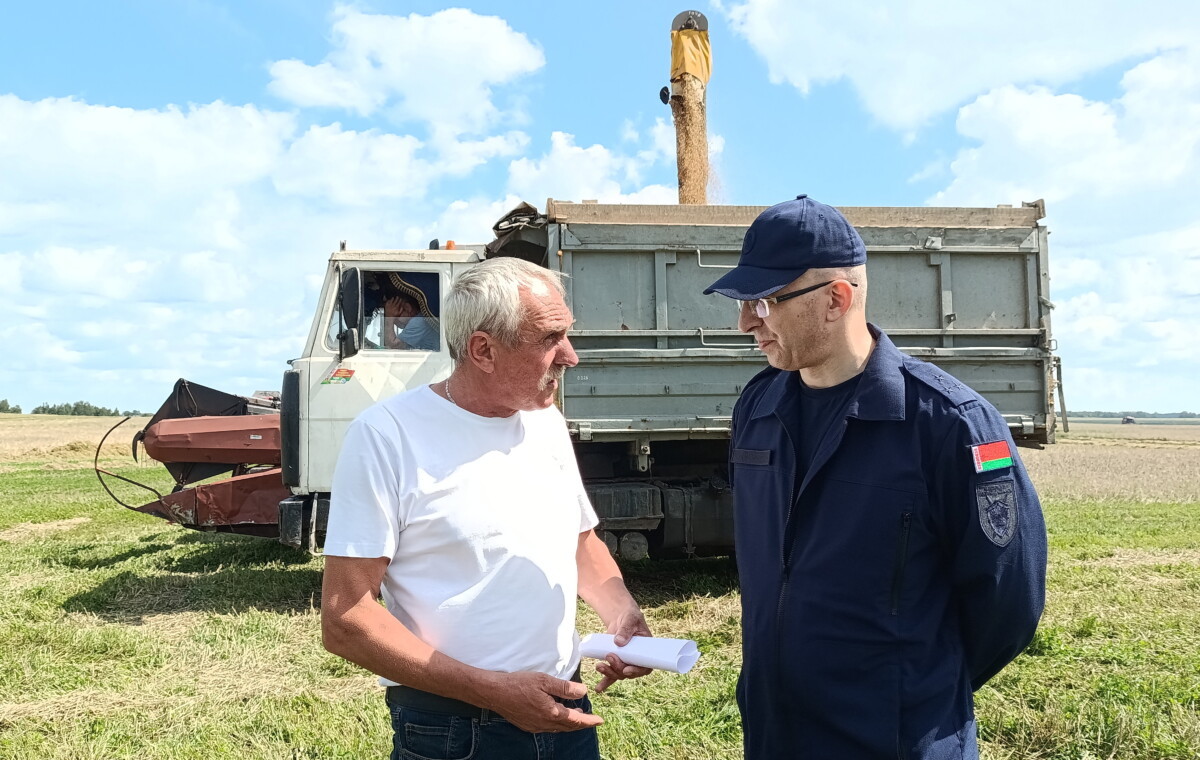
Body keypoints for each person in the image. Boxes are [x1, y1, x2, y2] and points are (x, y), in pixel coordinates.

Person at [703, 195, 1048, 759]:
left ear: (837, 298)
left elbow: (1007, 602)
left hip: (891, 739)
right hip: (774, 733)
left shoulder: (948, 424)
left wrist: (905, 689)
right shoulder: (757, 408)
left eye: (764, 302)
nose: (745, 323)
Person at [321, 256, 652, 760]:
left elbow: (578, 540)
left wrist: (622, 613)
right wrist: (489, 690)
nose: (571, 356)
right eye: (549, 338)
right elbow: (346, 617)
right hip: (455, 730)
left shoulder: (545, 422)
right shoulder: (387, 435)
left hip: (566, 713)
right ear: (483, 350)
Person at [380, 274, 440, 351]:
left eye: (395, 315)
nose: (394, 322)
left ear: (408, 308)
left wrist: (389, 317)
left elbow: (393, 346)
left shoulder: (419, 321)